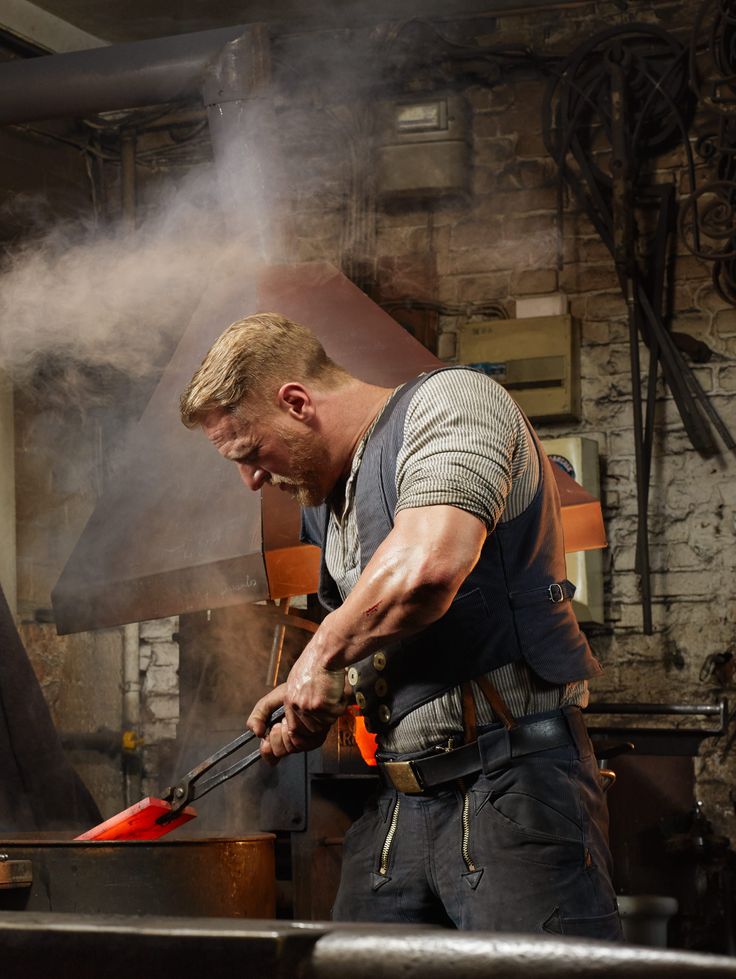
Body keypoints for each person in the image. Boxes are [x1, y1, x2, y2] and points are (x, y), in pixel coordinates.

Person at [179, 311, 622, 940]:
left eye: (250, 453)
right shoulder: (328, 501)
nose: (251, 480)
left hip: (514, 786)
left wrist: (318, 659)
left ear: (297, 402)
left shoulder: (453, 404)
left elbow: (429, 568)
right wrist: (334, 692)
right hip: (401, 801)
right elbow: (398, 640)